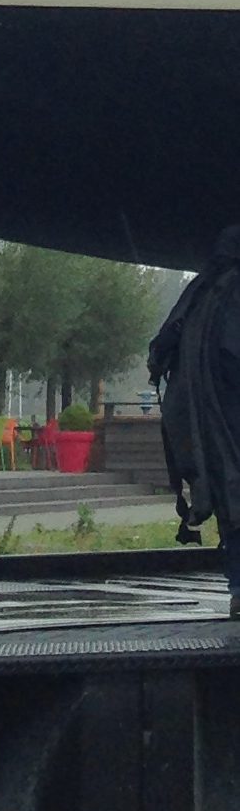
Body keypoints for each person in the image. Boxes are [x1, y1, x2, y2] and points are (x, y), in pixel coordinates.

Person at [148, 225, 240, 615]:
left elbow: (161, 351)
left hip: (205, 428)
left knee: (230, 503)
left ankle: (239, 588)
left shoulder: (201, 293)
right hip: (229, 420)